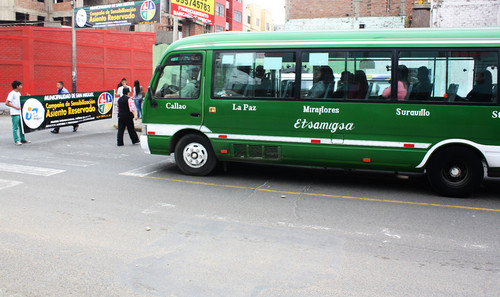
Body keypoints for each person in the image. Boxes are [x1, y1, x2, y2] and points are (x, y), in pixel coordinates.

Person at [5, 80, 30, 145]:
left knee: (21, 127)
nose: (21, 87)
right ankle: (16, 140)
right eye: (20, 85)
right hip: (14, 113)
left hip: (20, 112)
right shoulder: (11, 93)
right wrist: (15, 107)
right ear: (17, 86)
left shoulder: (18, 93)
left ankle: (23, 139)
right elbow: (7, 103)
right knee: (15, 127)